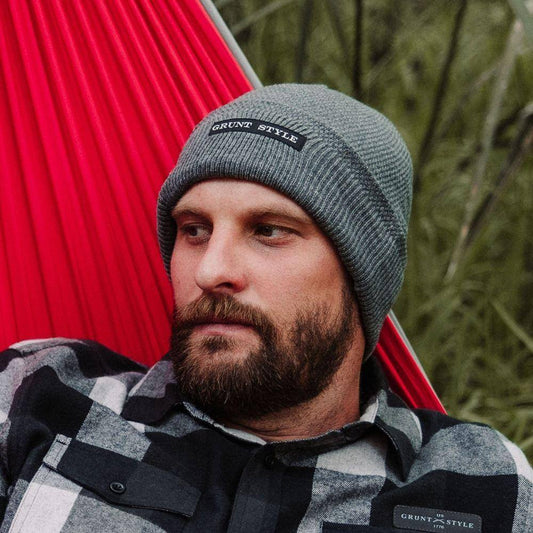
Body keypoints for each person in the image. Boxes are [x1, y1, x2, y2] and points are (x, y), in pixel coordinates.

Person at [0, 84, 530, 533]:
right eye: (194, 230)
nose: (210, 271)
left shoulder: (478, 483)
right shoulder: (38, 389)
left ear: (362, 273)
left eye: (269, 231)